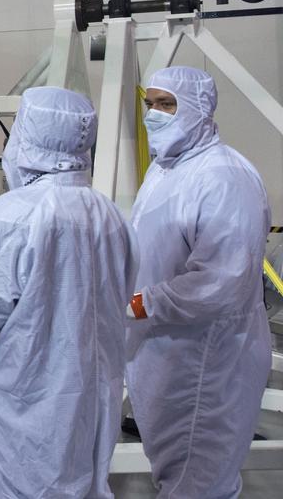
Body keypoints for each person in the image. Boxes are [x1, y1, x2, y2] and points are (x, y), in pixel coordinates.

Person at [0, 87, 136, 498]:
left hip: (23, 403)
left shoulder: (13, 214)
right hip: (91, 400)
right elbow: (123, 294)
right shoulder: (111, 216)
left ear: (31, 133)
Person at [125, 66, 272, 499]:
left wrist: (141, 303)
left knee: (199, 481)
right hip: (166, 348)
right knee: (177, 472)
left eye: (166, 105)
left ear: (198, 109)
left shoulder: (224, 177)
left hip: (207, 358)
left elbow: (220, 282)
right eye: (150, 104)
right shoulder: (166, 168)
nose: (154, 114)